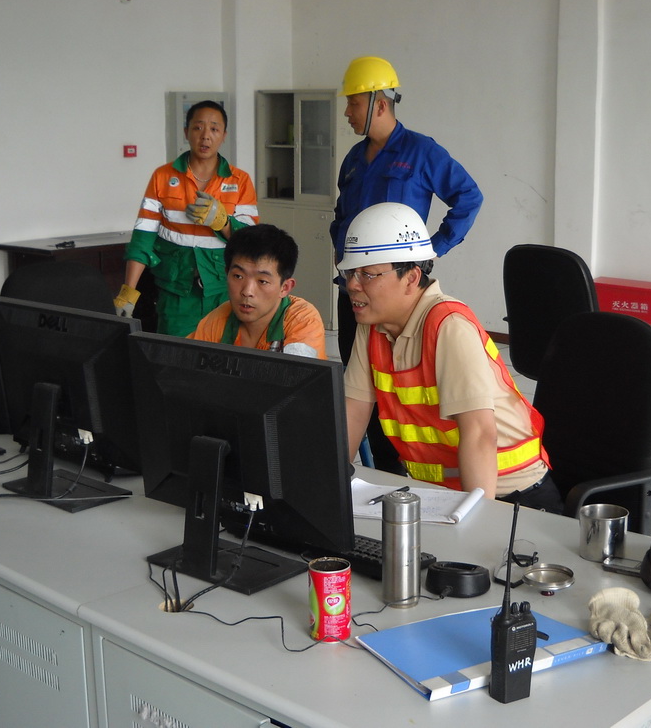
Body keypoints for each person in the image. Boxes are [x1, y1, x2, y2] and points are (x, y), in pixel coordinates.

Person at [340, 203, 561, 512]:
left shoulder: (448, 325)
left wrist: (476, 520)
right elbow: (352, 414)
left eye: (367, 274)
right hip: (440, 494)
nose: (352, 285)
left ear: (411, 277)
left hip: (510, 498)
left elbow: (479, 434)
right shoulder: (373, 326)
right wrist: (328, 486)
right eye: (350, 272)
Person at [331, 56, 484, 473]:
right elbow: (341, 216)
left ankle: (401, 466)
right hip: (355, 289)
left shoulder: (420, 151)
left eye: (354, 103)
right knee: (361, 385)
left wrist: (433, 248)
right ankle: (376, 471)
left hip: (395, 293)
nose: (347, 112)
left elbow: (469, 197)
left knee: (399, 387)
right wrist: (342, 260)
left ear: (379, 104)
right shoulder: (353, 159)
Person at [116, 100, 258, 337]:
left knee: (224, 354)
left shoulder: (239, 180)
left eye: (214, 129)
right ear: (186, 132)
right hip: (176, 291)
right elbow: (143, 238)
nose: (205, 136)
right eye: (198, 127)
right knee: (174, 354)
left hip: (224, 289)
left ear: (224, 135)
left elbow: (252, 241)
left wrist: (223, 223)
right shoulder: (162, 176)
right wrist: (128, 291)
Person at [188, 224, 326, 359]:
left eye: (262, 281)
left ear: (285, 288)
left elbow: (296, 372)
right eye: (238, 276)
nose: (247, 291)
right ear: (227, 274)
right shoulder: (216, 321)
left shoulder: (303, 321)